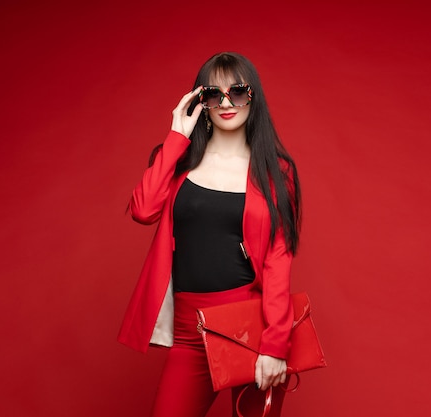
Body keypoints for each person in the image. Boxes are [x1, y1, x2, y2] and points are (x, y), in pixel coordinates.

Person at [118, 52, 302, 417]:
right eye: (213, 95)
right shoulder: (178, 163)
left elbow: (278, 260)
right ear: (199, 101)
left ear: (253, 97)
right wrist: (176, 136)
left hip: (253, 328)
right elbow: (143, 210)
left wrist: (275, 344)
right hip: (190, 331)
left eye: (237, 91)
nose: (226, 103)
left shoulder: (276, 173)